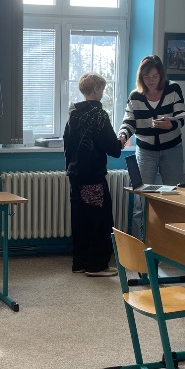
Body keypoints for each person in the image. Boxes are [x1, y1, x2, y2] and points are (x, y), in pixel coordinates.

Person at [117, 55, 185, 239]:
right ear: (141, 77)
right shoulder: (135, 96)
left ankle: (173, 244)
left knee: (174, 197)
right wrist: (123, 136)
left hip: (172, 150)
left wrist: (171, 124)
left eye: (155, 76)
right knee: (141, 200)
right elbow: (129, 122)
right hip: (145, 151)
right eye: (146, 77)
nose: (151, 80)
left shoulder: (173, 89)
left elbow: (182, 116)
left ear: (161, 75)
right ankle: (138, 245)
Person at [63, 72, 122, 277]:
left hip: (75, 174)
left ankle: (79, 262)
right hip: (92, 175)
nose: (103, 92)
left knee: (80, 218)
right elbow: (112, 148)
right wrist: (121, 141)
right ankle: (96, 265)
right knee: (99, 219)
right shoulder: (99, 114)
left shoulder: (73, 113)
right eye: (102, 89)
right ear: (96, 89)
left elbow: (68, 144)